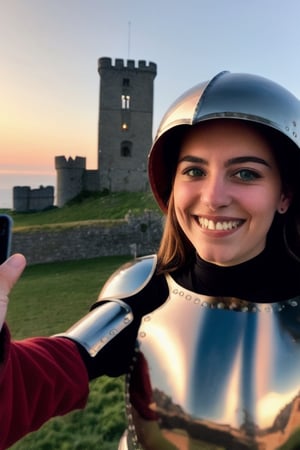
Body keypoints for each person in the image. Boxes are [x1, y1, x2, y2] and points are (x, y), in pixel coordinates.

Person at [2, 70, 300, 450]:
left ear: (285, 194)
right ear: (171, 186)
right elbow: (41, 378)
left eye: (245, 173)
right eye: (194, 170)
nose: (213, 197)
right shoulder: (142, 288)